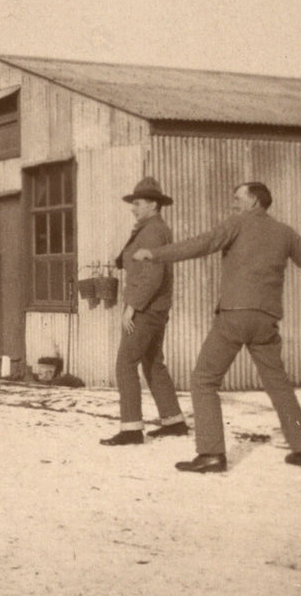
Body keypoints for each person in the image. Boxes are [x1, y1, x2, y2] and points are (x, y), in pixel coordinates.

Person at [133, 182, 301, 473]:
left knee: (204, 380)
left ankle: (211, 454)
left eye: (238, 198)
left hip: (234, 317)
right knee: (280, 386)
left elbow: (199, 244)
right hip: (266, 321)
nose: (233, 203)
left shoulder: (237, 224)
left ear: (255, 202)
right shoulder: (285, 233)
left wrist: (155, 254)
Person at [100, 177, 187, 446]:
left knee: (125, 364)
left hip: (146, 308)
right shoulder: (154, 228)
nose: (133, 208)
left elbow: (152, 276)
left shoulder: (151, 231)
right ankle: (174, 421)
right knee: (153, 363)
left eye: (137, 203)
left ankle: (131, 429)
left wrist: (132, 308)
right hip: (157, 307)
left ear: (152, 204)